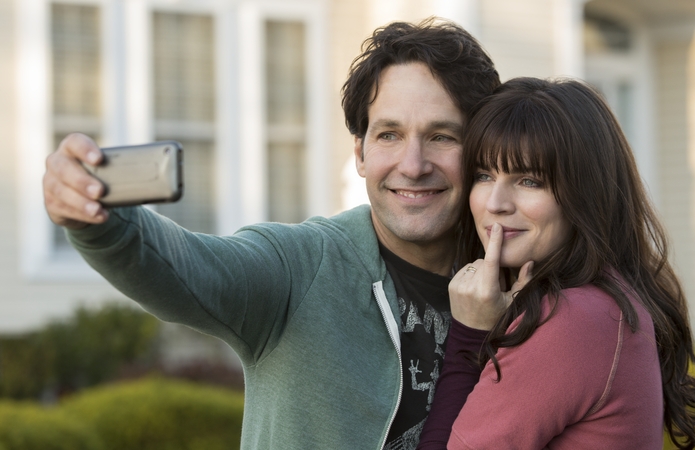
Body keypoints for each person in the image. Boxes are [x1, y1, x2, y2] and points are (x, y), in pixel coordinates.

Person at [41, 18, 500, 450]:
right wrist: (97, 219)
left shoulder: (518, 284)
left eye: (442, 136)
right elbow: (186, 268)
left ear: (479, 153)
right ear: (359, 152)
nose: (414, 165)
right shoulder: (301, 267)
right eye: (389, 135)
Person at [416, 77, 695, 450]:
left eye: (529, 180)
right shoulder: (605, 300)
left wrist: (468, 336)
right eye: (483, 175)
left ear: (584, 194)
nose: (495, 202)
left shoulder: (574, 320)